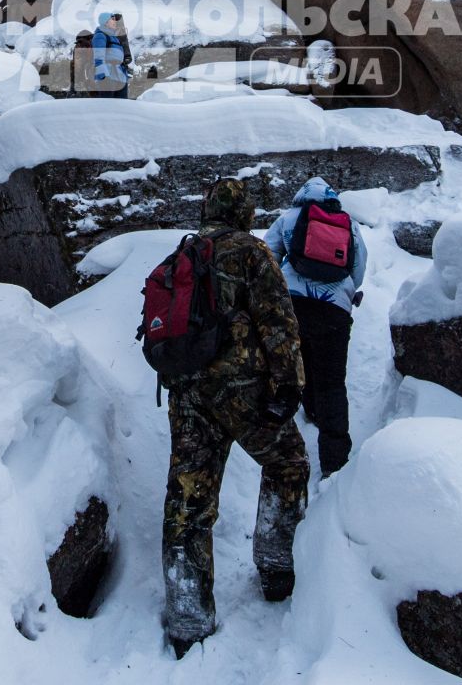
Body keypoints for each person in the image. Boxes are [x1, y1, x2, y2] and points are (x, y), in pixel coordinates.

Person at [161, 177, 309, 657]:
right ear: (244, 213)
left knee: (188, 503)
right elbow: (278, 319)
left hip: (187, 395)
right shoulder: (253, 252)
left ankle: (188, 615)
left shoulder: (183, 254)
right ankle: (275, 565)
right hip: (242, 393)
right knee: (289, 464)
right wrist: (289, 384)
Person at [265, 177, 367, 476]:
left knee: (291, 370)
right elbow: (357, 269)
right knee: (332, 383)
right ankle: (334, 464)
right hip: (334, 310)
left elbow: (269, 257)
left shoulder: (288, 218)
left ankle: (284, 454)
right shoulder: (348, 224)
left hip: (291, 306)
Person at [89, 10, 131, 97]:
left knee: (122, 105)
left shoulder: (114, 37)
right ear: (105, 22)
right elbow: (98, 57)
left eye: (115, 19)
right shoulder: (100, 35)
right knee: (107, 104)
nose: (115, 21)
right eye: (112, 19)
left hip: (119, 75)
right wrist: (103, 75)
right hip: (108, 75)